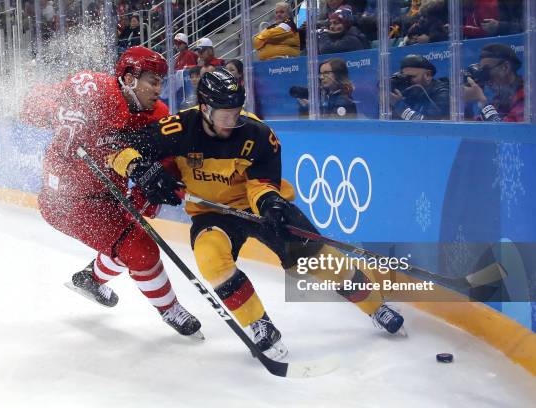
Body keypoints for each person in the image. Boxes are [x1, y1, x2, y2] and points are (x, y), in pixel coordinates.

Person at [107, 68, 405, 361]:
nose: (232, 121)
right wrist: (138, 169)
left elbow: (262, 183)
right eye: (225, 115)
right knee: (211, 259)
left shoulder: (258, 134)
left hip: (258, 208)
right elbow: (120, 147)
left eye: (237, 112)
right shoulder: (179, 128)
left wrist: (271, 206)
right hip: (212, 214)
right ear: (205, 108)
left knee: (319, 259)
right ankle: (258, 323)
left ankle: (376, 306)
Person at [37, 47, 203, 338]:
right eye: (152, 80)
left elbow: (165, 153)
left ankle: (91, 279)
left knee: (144, 212)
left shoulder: (157, 113)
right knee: (141, 248)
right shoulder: (92, 91)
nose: (158, 88)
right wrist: (59, 112)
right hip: (68, 201)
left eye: (162, 81)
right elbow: (36, 101)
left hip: (105, 194)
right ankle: (169, 309)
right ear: (128, 78)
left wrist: (166, 177)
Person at [463, 43, 524, 122]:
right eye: (482, 71)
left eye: (487, 70)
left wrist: (482, 101)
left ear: (505, 67)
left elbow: (505, 131)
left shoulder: (528, 95)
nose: (485, 76)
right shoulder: (501, 97)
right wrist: (468, 103)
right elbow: (477, 126)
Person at [390, 54, 450, 120]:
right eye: (404, 77)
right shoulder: (406, 91)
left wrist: (398, 105)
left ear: (428, 75)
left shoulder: (442, 92)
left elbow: (430, 123)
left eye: (412, 77)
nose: (407, 81)